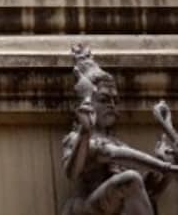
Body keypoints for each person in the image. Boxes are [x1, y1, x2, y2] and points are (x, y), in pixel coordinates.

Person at [60, 45, 178, 215]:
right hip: (87, 209)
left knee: (132, 180)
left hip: (112, 204)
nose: (112, 105)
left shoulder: (115, 141)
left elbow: (147, 190)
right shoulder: (77, 138)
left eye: (115, 100)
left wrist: (167, 161)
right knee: (130, 179)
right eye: (104, 99)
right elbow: (77, 170)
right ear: (88, 103)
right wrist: (164, 167)